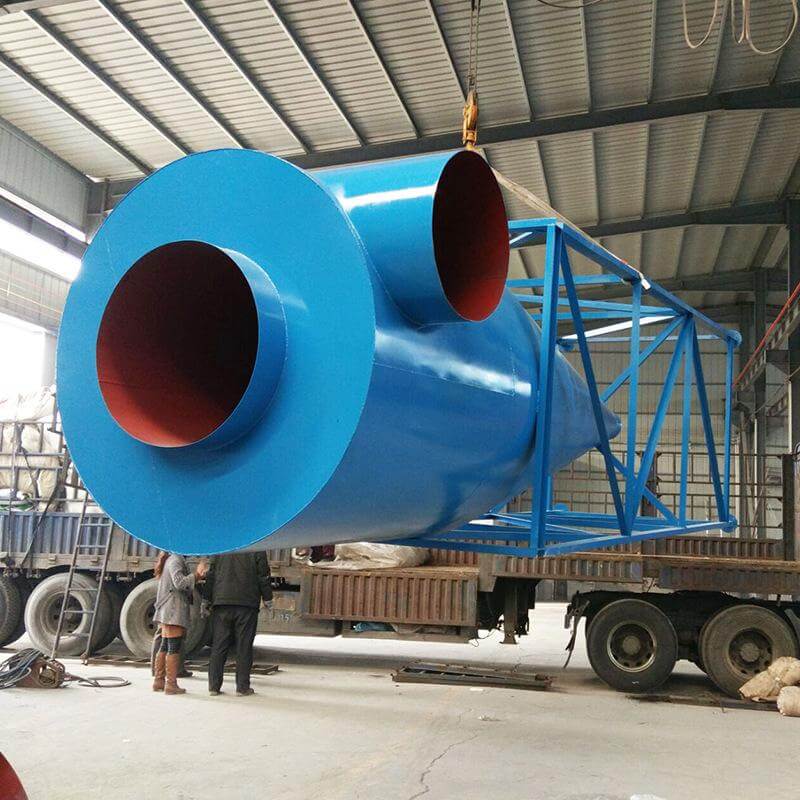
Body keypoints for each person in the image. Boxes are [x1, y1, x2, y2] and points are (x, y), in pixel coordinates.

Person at [203, 551, 272, 697]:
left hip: (222, 602)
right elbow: (263, 574)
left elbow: (211, 573)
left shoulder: (222, 545)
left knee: (219, 645)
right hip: (247, 602)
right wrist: (267, 597)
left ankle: (214, 687)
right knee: (244, 646)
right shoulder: (257, 546)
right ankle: (242, 687)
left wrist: (206, 598)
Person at [151, 551, 206, 695]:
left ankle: (159, 681)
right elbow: (179, 583)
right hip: (173, 610)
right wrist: (197, 575)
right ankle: (171, 684)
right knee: (173, 647)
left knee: (165, 645)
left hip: (168, 609)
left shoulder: (171, 559)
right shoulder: (175, 560)